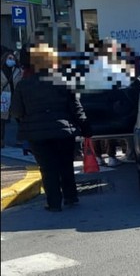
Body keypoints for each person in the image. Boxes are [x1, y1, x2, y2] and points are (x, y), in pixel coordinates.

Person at [10, 44, 93, 212]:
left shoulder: (23, 85)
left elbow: (16, 111)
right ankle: (71, 196)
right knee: (65, 165)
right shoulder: (62, 80)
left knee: (48, 168)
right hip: (63, 131)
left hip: (37, 134)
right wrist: (85, 127)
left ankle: (54, 203)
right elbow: (76, 107)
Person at [1, 51, 23, 148]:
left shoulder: (18, 71)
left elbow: (20, 83)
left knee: (20, 118)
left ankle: (21, 140)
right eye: (9, 58)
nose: (11, 60)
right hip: (4, 97)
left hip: (15, 97)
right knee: (2, 120)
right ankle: (1, 140)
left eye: (13, 59)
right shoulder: (1, 71)